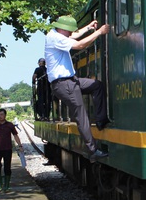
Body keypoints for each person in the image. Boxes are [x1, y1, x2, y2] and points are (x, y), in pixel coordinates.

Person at [44, 15, 110, 161]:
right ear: (63, 29)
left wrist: (88, 27)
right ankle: (93, 150)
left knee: (96, 85)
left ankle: (101, 120)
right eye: (69, 31)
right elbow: (79, 45)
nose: (70, 33)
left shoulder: (57, 34)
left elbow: (75, 35)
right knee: (81, 115)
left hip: (71, 81)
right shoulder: (55, 38)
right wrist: (99, 32)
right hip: (63, 84)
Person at [0, 109, 23, 193]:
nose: (0, 116)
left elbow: (15, 135)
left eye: (2, 114)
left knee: (7, 167)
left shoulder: (10, 125)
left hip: (7, 149)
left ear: (5, 115)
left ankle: (7, 185)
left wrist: (20, 145)